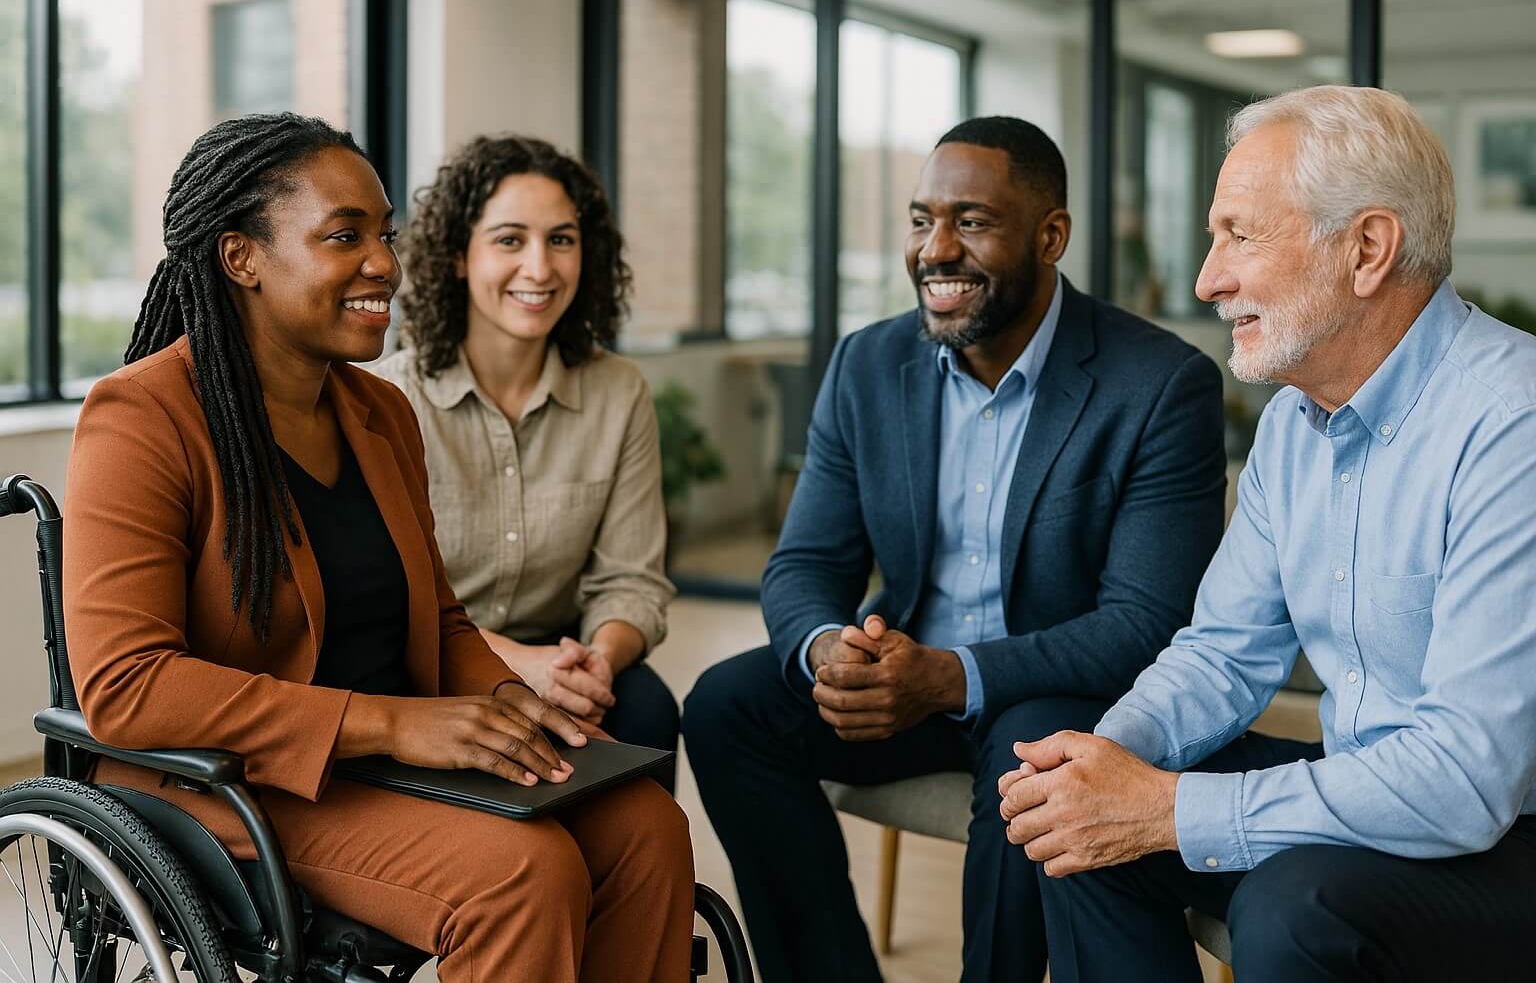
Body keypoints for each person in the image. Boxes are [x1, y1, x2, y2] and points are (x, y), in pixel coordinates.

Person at [62, 113, 694, 982]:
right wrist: (395, 721)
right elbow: (126, 687)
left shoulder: (378, 413)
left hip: (378, 765)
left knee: (646, 829)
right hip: (229, 785)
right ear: (241, 258)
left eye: (385, 234)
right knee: (522, 873)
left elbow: (439, 618)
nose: (384, 264)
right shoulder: (140, 418)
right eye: (344, 236)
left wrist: (517, 707)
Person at [999, 86, 1536, 982]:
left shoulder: (1513, 422)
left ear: (1367, 249)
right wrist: (1108, 765)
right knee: (1070, 819)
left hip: (1507, 825)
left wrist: (1169, 811)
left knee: (1298, 909)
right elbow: (1221, 655)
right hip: (1379, 782)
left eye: (1240, 235)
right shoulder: (1295, 424)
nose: (1208, 279)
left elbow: (1467, 780)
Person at [682, 116, 1228, 982]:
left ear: (1051, 237)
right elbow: (803, 565)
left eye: (971, 222)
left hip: (1052, 694)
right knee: (725, 705)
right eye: (920, 219)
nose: (936, 249)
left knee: (1032, 757)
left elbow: (1148, 622)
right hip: (903, 688)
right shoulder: (869, 363)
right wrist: (833, 652)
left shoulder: (1159, 384)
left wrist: (950, 675)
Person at [375, 135, 679, 786]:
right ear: (459, 256)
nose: (540, 268)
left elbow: (632, 579)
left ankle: (638, 888)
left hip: (567, 650)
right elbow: (387, 604)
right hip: (428, 670)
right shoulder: (390, 397)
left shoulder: (618, 393)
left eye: (561, 240)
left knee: (648, 708)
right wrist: (515, 665)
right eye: (510, 240)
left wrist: (597, 659)